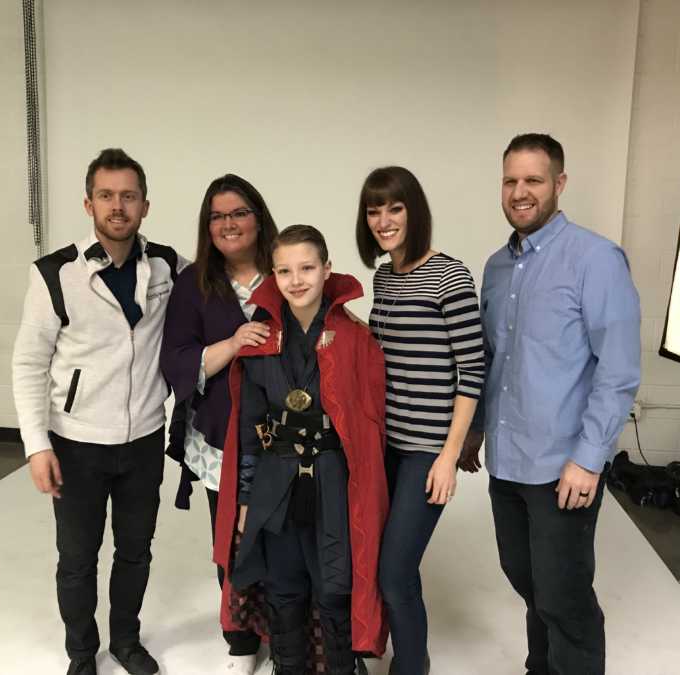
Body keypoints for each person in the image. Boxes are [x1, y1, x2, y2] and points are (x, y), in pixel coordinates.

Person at [461, 133, 641, 675]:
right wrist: (473, 432)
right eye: (511, 181)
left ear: (559, 184)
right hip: (509, 459)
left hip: (564, 464)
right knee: (527, 578)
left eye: (533, 180)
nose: (520, 192)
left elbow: (619, 369)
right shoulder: (495, 267)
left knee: (563, 595)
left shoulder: (596, 259)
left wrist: (589, 458)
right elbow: (493, 359)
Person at [12, 148, 187, 675]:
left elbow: (220, 294)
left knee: (136, 550)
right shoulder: (54, 273)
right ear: (88, 203)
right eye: (107, 196)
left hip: (143, 440)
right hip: (76, 441)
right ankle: (82, 653)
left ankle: (127, 641)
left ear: (145, 205)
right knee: (78, 558)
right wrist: (36, 444)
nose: (118, 206)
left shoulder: (167, 265)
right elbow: (28, 363)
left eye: (128, 196)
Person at [214, 225, 389, 675]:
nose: (297, 280)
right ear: (273, 275)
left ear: (326, 270)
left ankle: (341, 669)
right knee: (284, 586)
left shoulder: (355, 339)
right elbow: (250, 432)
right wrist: (247, 500)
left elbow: (369, 429)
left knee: (335, 586)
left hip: (333, 481)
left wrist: (363, 497)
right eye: (285, 270)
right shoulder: (260, 340)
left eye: (307, 268)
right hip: (276, 482)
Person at [356, 166, 485, 675]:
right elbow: (380, 351)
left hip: (427, 449)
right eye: (374, 210)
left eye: (395, 208)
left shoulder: (449, 276)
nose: (384, 220)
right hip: (385, 442)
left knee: (395, 570)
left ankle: (412, 664)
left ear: (415, 211)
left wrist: (450, 455)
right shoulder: (384, 277)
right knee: (371, 555)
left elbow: (472, 369)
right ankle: (374, 645)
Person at [160, 174, 278, 674]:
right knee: (230, 538)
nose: (228, 224)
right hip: (221, 436)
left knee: (285, 537)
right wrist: (232, 344)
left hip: (287, 438)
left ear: (259, 218)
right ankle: (240, 639)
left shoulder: (285, 269)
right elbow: (176, 360)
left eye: (239, 213)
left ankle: (286, 633)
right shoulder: (193, 284)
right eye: (217, 216)